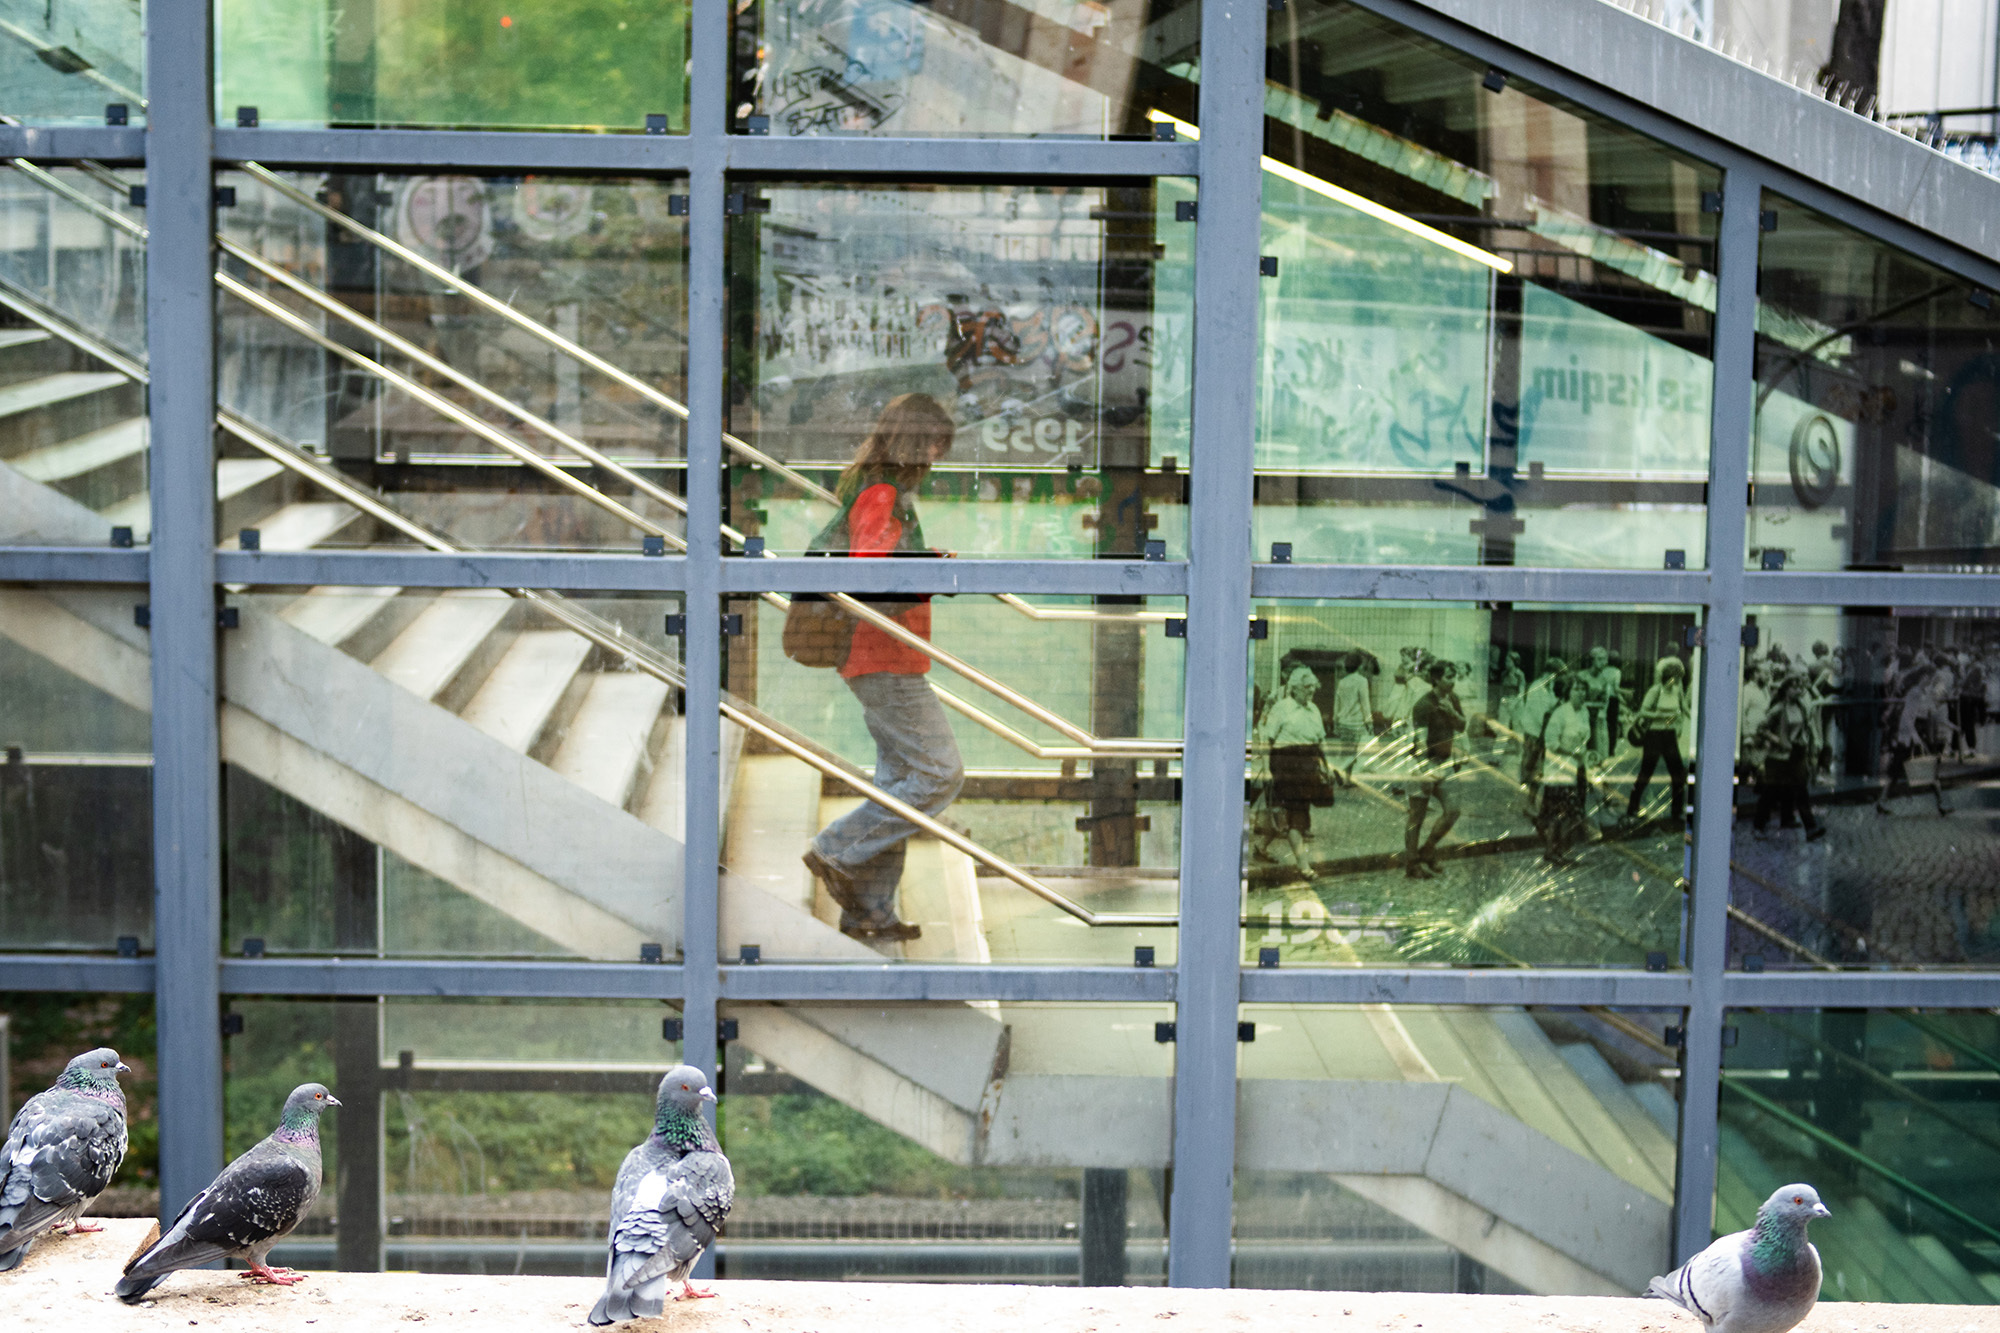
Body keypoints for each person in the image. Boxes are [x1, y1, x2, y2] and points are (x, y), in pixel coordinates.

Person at [801, 393, 965, 944]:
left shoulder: (877, 489)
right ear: (917, 442)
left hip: (881, 656)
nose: (935, 462)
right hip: (883, 657)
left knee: (899, 782)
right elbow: (872, 577)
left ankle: (869, 911)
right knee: (939, 774)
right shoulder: (882, 493)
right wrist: (927, 574)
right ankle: (836, 850)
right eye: (935, 449)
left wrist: (925, 559)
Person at [1254, 665, 1330, 880]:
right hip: (1285, 766)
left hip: (1307, 768)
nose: (1311, 691)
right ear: (1295, 688)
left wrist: (1328, 766)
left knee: (1283, 813)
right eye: (1307, 687)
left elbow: (1321, 741)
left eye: (1313, 687)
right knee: (1296, 817)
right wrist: (1268, 770)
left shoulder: (1314, 710)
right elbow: (1267, 740)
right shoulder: (1281, 708)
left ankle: (1261, 847)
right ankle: (1304, 866)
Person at [1405, 660, 1466, 878]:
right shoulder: (1423, 705)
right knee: (1416, 817)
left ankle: (1428, 849)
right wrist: (1423, 772)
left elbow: (1462, 725)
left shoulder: (1453, 699)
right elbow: (1420, 742)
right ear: (1437, 679)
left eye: (1454, 677)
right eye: (1449, 677)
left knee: (1453, 810)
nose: (1453, 681)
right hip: (1423, 763)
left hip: (1445, 763)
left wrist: (1451, 712)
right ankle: (1412, 864)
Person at [1753, 672, 1823, 839]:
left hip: (1797, 753)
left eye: (1800, 686)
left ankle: (1810, 828)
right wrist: (1778, 740)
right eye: (1794, 686)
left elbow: (1806, 729)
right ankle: (1759, 826)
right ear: (1786, 689)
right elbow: (1761, 729)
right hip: (1778, 757)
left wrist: (1811, 748)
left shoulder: (1801, 707)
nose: (1798, 690)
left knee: (1800, 790)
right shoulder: (1778, 709)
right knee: (1770, 792)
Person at [1624, 657, 1692, 829]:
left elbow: (1682, 707)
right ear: (1666, 678)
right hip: (1654, 735)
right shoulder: (1655, 691)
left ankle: (1676, 812)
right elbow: (1643, 712)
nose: (1675, 683)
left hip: (1669, 735)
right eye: (1673, 679)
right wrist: (1662, 717)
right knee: (1646, 772)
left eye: (1677, 680)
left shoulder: (1677, 690)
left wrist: (1687, 720)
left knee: (1678, 774)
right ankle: (1632, 807)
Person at [1538, 676, 1595, 866]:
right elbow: (1551, 743)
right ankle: (1552, 851)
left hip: (1577, 768)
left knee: (1570, 813)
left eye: (1583, 689)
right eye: (1576, 689)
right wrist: (1571, 752)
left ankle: (1560, 850)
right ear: (1568, 692)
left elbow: (1585, 738)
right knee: (1558, 813)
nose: (1581, 693)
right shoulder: (1560, 713)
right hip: (1559, 770)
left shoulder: (1584, 712)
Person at [1516, 656, 1566, 790]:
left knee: (1537, 765)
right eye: (1557, 676)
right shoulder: (1538, 688)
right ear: (1549, 673)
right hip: (1534, 732)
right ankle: (1528, 797)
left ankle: (1530, 792)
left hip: (1541, 732)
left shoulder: (1548, 688)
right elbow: (1541, 715)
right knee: (1532, 764)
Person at [1329, 650, 1373, 786]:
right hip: (1357, 722)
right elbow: (1365, 702)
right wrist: (1369, 721)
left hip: (1343, 722)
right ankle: (1339, 771)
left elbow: (1337, 702)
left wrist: (1336, 719)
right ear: (1359, 666)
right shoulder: (1362, 681)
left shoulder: (1342, 682)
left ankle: (1347, 780)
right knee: (1354, 752)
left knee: (1347, 751)